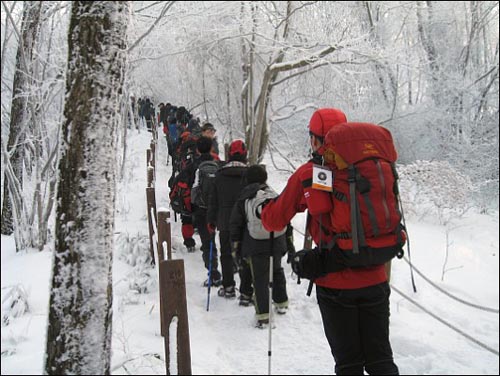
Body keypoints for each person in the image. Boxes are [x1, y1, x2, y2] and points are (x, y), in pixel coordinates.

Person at [260, 108, 399, 375]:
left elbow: (274, 220)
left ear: (314, 140)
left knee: (349, 364)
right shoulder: (371, 169)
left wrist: (263, 209)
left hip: (335, 282)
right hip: (376, 278)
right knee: (381, 359)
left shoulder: (310, 174)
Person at [230, 164, 289, 327]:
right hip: (277, 240)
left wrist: (235, 245)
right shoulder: (274, 194)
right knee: (277, 270)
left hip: (256, 244)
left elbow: (236, 224)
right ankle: (282, 303)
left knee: (260, 279)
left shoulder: (245, 197)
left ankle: (263, 316)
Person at [207, 139, 249, 298]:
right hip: (245, 221)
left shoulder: (220, 174)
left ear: (229, 154)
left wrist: (211, 220)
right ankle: (246, 291)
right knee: (245, 254)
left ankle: (229, 286)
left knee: (225, 254)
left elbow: (213, 200)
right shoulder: (250, 174)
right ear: (245, 154)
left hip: (224, 221)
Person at [191, 136, 222, 286]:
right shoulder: (218, 165)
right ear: (211, 148)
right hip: (217, 209)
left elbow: (193, 190)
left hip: (202, 210)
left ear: (197, 149)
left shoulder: (196, 166)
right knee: (217, 239)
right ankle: (229, 269)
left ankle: (213, 272)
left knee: (207, 242)